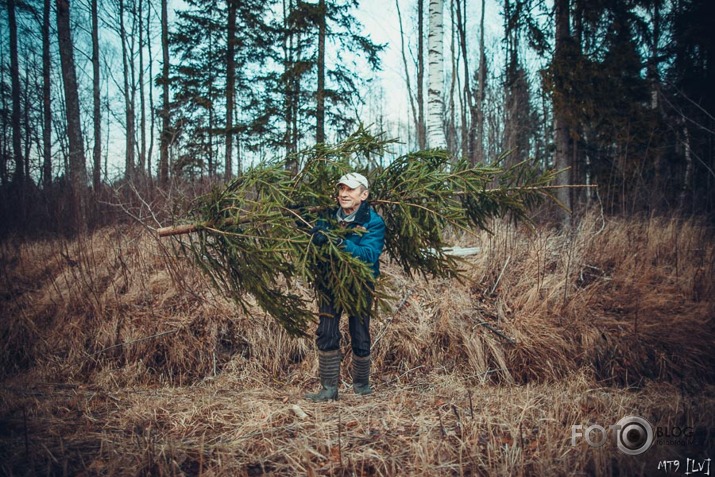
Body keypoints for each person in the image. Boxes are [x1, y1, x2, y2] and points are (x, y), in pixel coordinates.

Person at [304, 172, 386, 402]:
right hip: (330, 281)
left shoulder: (373, 221)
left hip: (360, 283)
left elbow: (369, 254)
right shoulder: (329, 216)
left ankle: (362, 386)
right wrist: (316, 236)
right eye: (341, 189)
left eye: (350, 189)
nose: (343, 194)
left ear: (364, 194)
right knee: (326, 331)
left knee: (359, 331)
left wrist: (340, 242)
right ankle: (328, 389)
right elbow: (314, 236)